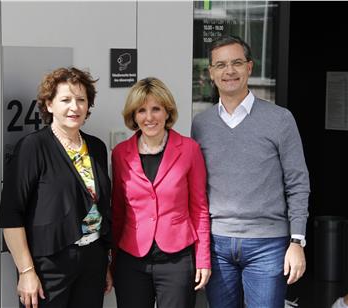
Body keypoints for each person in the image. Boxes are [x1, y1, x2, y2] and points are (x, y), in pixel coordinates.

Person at [191, 35, 310, 308]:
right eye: (220, 65)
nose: (229, 71)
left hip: (268, 244)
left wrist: (297, 241)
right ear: (211, 73)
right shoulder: (201, 124)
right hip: (217, 244)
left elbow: (298, 183)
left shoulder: (280, 119)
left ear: (250, 67)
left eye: (236, 63)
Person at [0, 67, 112, 308]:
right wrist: (26, 271)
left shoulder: (97, 147)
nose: (75, 107)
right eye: (66, 100)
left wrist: (104, 261)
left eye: (81, 100)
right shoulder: (32, 147)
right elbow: (11, 213)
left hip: (93, 260)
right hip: (48, 265)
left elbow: (101, 207)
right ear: (49, 105)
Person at [111, 77, 211, 308]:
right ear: (133, 116)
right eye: (141, 110)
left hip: (176, 259)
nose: (149, 117)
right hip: (132, 258)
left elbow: (199, 208)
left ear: (167, 112)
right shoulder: (120, 153)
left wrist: (203, 258)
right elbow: (117, 211)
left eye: (156, 109)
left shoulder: (189, 149)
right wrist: (113, 260)